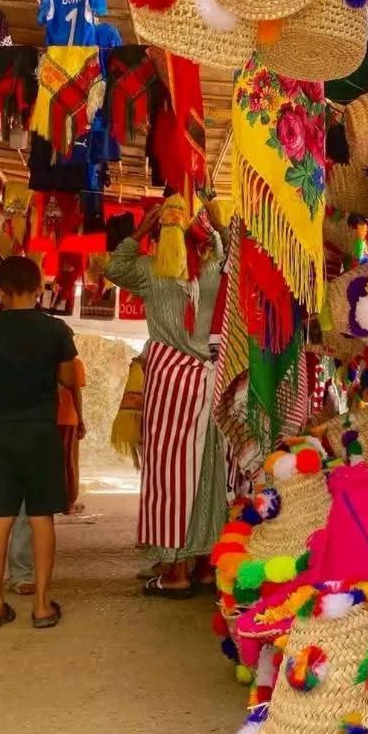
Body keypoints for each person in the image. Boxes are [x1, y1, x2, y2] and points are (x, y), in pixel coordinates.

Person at [105, 199, 227, 598]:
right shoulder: (211, 270)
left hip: (168, 381)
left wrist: (140, 232)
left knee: (168, 475)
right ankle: (205, 565)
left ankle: (175, 572)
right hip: (207, 382)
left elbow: (114, 267)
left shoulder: (148, 271)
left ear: (158, 237)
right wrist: (212, 227)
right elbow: (227, 251)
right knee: (207, 470)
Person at [0, 255, 78, 631]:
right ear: (38, 287)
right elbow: (69, 379)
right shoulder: (55, 330)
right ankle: (42, 606)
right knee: (41, 518)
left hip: (2, 433)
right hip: (41, 433)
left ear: (0, 290)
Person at [57, 356, 87, 514]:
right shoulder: (74, 363)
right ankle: (68, 503)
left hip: (45, 417)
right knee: (68, 460)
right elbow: (76, 391)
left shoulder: (44, 358)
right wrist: (80, 419)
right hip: (67, 417)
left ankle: (51, 502)